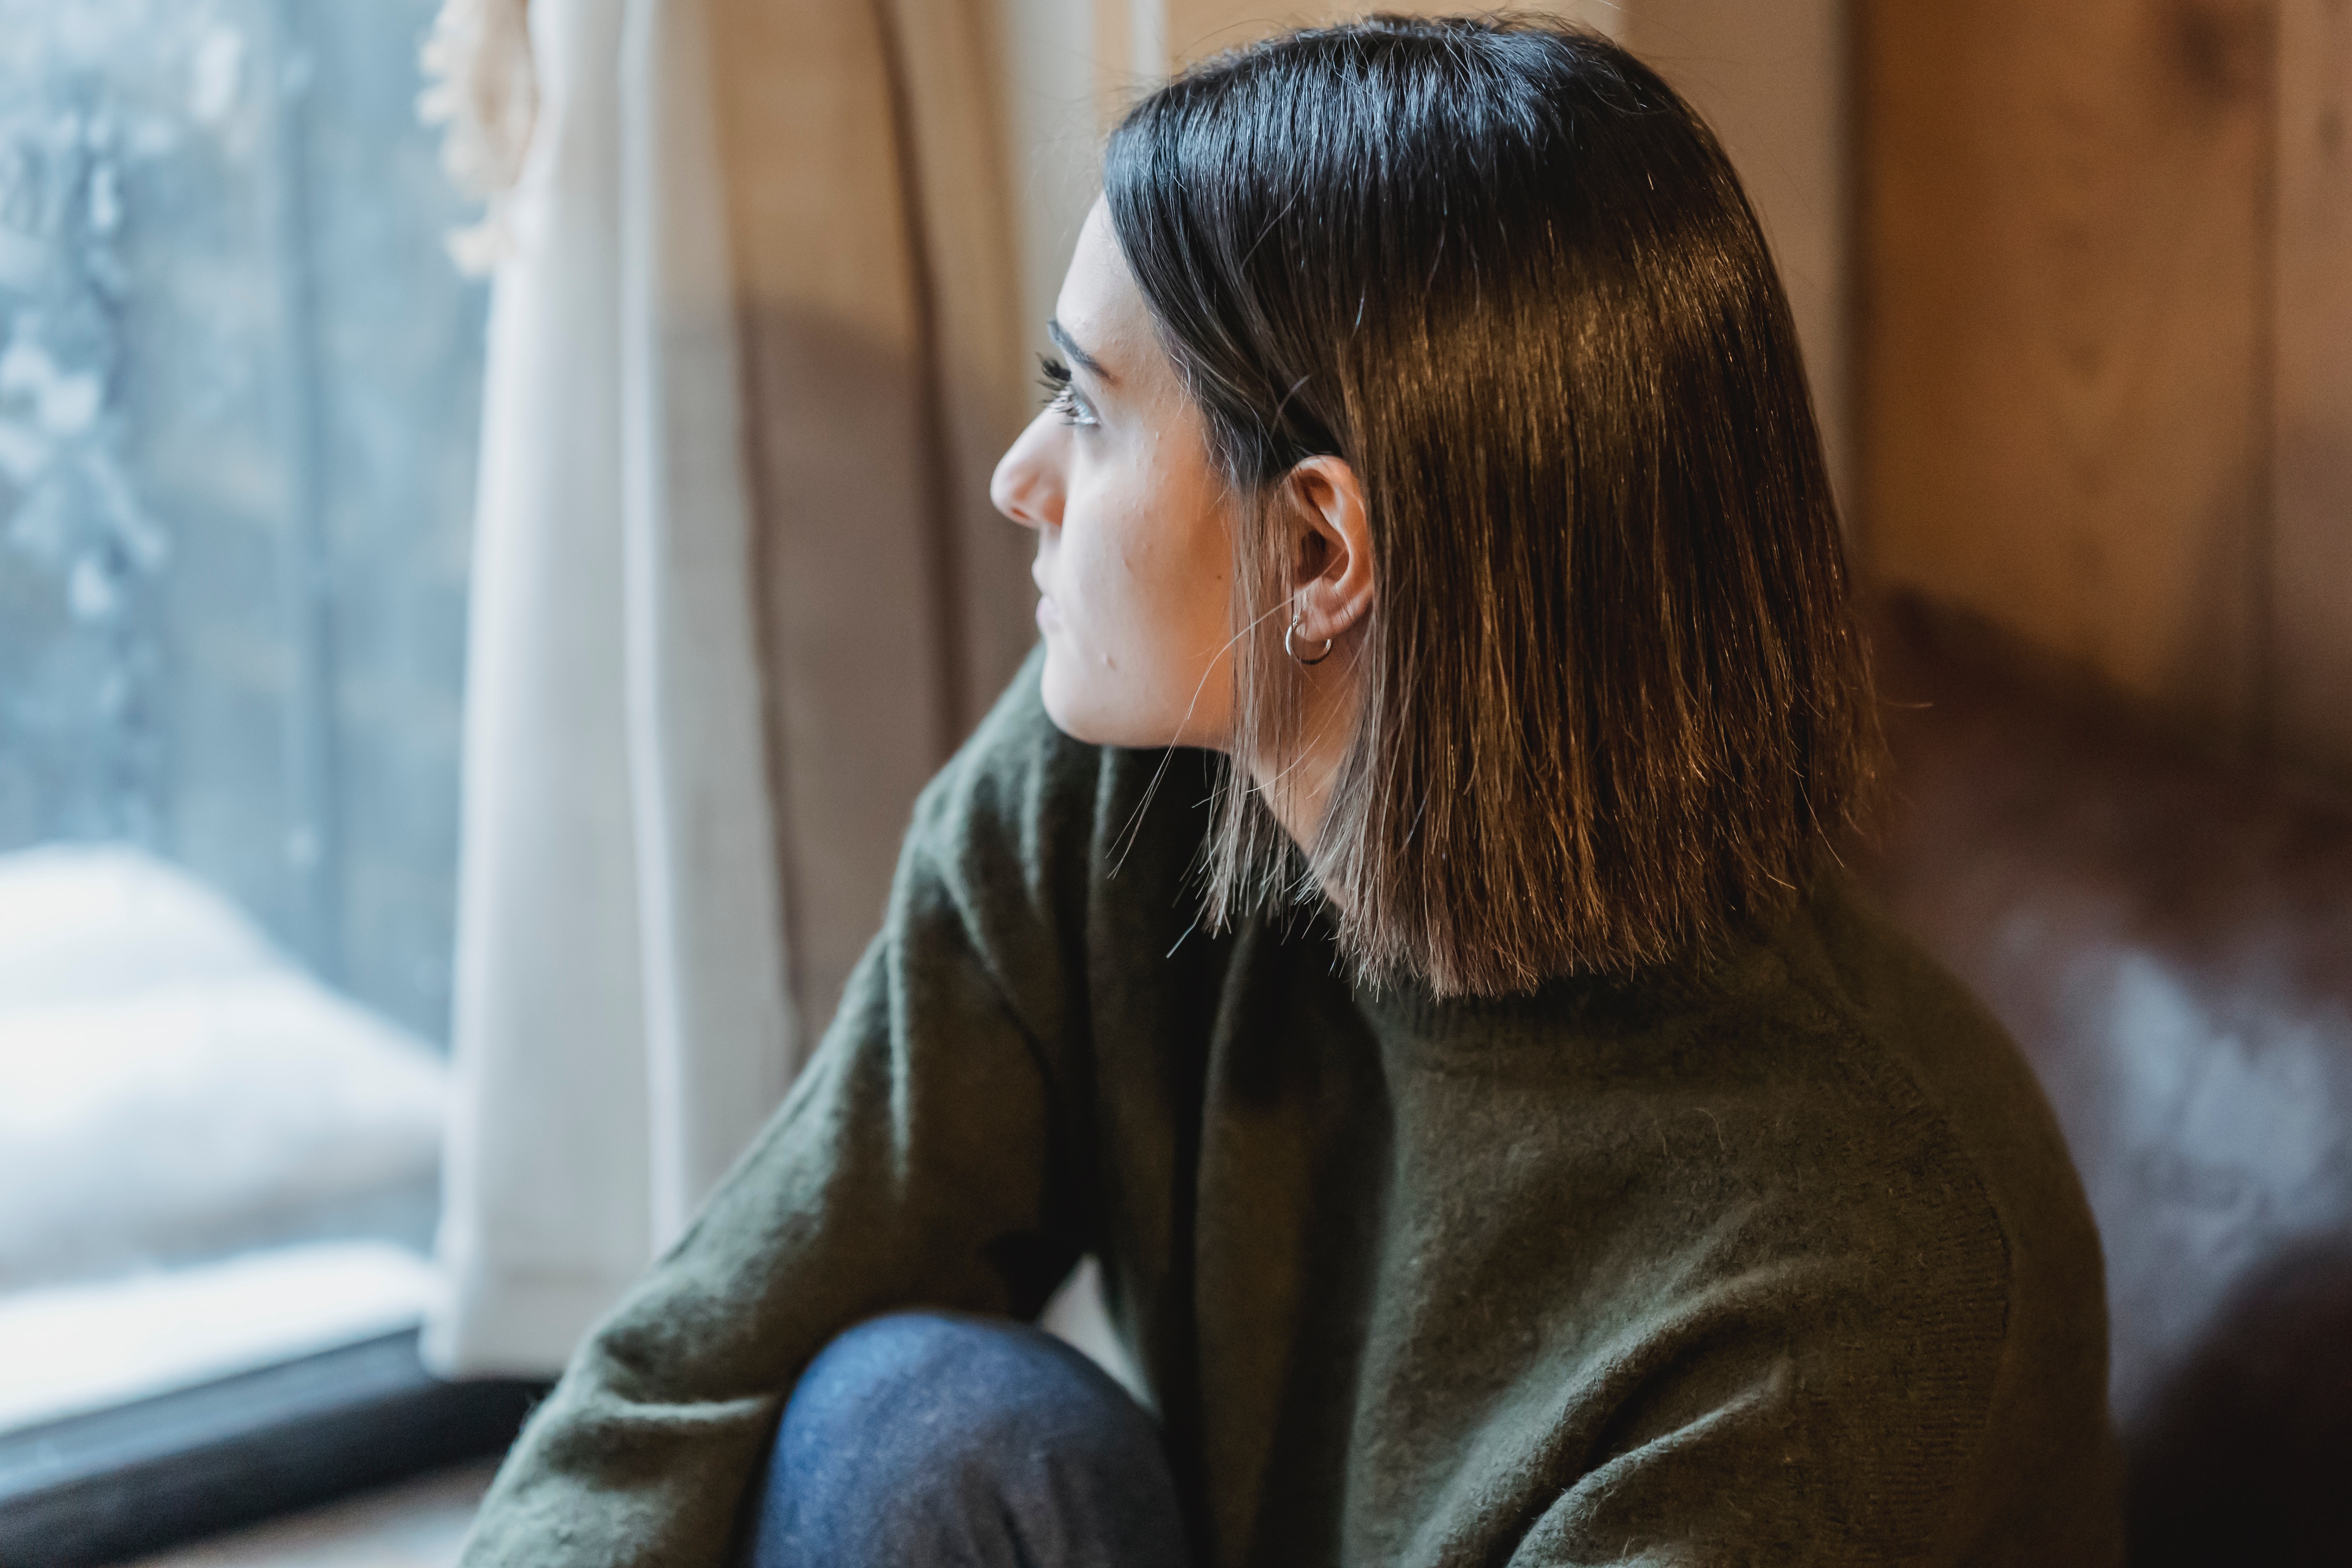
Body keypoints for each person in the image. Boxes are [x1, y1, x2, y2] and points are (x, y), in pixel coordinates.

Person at [457, 16, 2121, 1566]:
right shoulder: (1118, 796)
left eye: (1087, 414)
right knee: (926, 1429)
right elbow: (697, 1379)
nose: (1015, 479)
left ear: (1318, 550)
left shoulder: (1851, 1283)